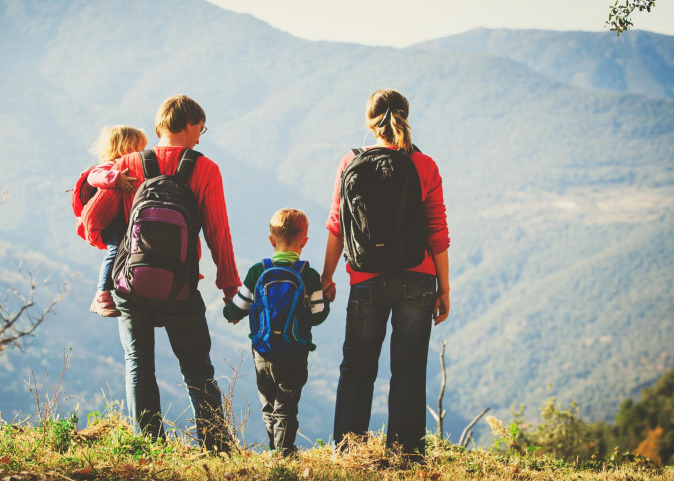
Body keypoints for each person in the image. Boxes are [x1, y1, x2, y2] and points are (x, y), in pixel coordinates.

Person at [321, 89, 450, 459]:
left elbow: (336, 225)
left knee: (357, 367)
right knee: (408, 368)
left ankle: (348, 451)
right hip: (418, 278)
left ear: (369, 121)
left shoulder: (350, 161)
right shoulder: (424, 165)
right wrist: (444, 287)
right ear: (406, 117)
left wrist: (327, 277)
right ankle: (406, 454)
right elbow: (436, 230)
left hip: (365, 279)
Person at [110, 95, 241, 452]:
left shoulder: (128, 164)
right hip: (180, 288)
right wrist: (229, 286)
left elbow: (106, 225)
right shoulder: (205, 169)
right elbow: (218, 231)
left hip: (132, 287)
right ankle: (216, 448)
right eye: (201, 127)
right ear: (187, 124)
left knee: (138, 365)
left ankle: (149, 448)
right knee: (198, 369)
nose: (201, 136)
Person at [223, 208, 330, 456]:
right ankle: (283, 453)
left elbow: (236, 310)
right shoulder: (309, 275)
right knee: (287, 406)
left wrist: (230, 313)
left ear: (271, 240)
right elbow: (318, 316)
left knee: (268, 406)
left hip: (263, 352)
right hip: (295, 352)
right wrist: (326, 299)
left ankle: (276, 449)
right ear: (304, 241)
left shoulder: (257, 272)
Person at [79, 125, 147, 317]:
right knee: (115, 250)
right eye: (138, 148)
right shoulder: (108, 166)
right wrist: (117, 178)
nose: (141, 154)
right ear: (125, 148)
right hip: (113, 221)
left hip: (125, 219)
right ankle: (102, 293)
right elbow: (94, 177)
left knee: (125, 253)